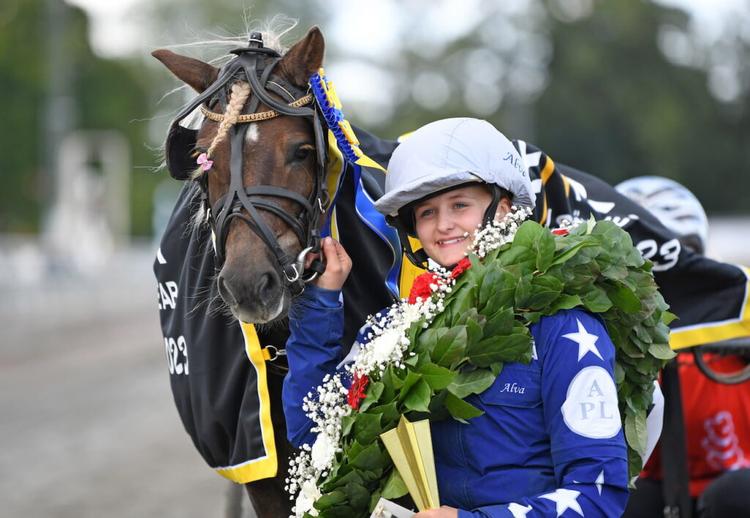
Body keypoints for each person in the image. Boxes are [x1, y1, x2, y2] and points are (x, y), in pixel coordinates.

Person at [283, 118, 632, 517]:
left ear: (502, 209)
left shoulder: (564, 326)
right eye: (427, 212)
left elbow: (598, 496)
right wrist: (322, 302)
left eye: (460, 205)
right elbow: (313, 430)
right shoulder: (396, 332)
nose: (443, 225)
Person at [617, 176, 750, 518]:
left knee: (732, 496)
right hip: (658, 489)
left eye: (675, 258)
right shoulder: (606, 335)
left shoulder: (738, 311)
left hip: (731, 487)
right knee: (625, 500)